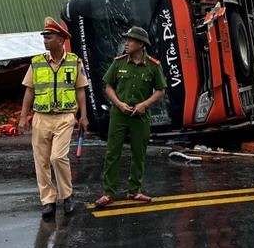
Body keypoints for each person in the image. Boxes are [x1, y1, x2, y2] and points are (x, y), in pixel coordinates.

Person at [18, 17, 89, 218]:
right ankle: (48, 200)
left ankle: (67, 196)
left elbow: (80, 90)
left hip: (66, 116)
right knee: (41, 161)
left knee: (57, 157)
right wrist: (23, 117)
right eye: (44, 37)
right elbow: (29, 92)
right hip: (41, 117)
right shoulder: (37, 63)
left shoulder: (75, 62)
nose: (45, 41)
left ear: (60, 40)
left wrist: (83, 116)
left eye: (49, 37)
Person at [95, 26, 167, 208]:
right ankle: (108, 193)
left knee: (139, 153)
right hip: (119, 114)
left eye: (131, 40)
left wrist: (145, 104)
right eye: (127, 40)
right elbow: (108, 87)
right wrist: (119, 104)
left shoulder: (152, 65)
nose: (127, 43)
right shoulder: (118, 63)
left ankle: (134, 190)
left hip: (140, 116)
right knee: (113, 152)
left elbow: (160, 90)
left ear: (141, 44)